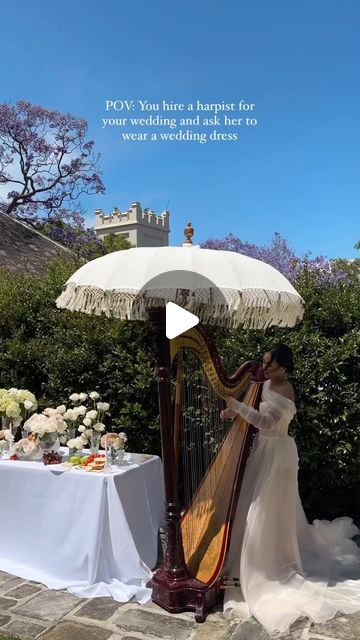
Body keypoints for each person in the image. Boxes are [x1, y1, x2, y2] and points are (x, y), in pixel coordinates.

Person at [220, 343, 360, 637]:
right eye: (264, 362)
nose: (265, 368)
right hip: (263, 451)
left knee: (264, 509)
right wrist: (235, 414)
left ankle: (263, 568)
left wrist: (238, 407)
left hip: (277, 454)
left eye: (270, 365)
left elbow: (267, 422)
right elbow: (255, 412)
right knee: (252, 505)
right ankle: (242, 561)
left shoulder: (286, 391)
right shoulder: (266, 383)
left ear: (284, 367)